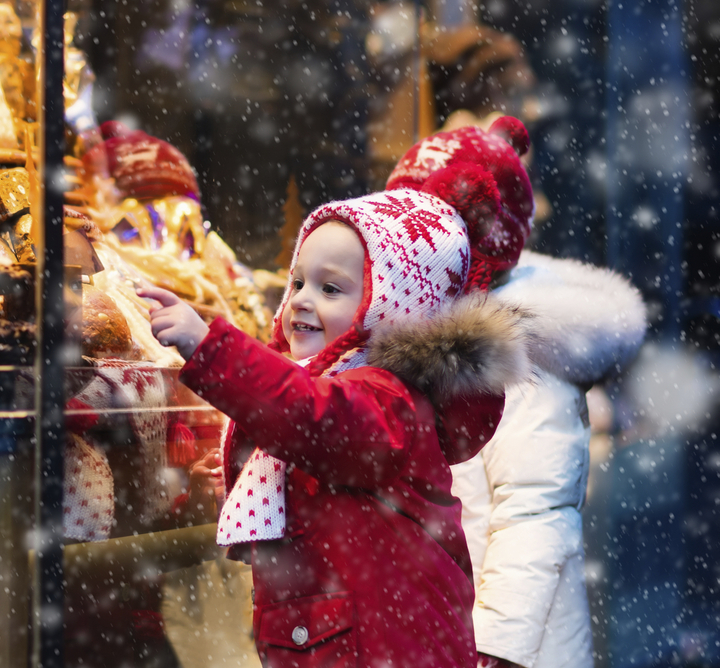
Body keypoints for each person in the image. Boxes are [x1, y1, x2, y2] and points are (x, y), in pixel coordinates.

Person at [140, 117, 535, 668]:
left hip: (379, 648)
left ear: (390, 305)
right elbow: (310, 442)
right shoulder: (345, 394)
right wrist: (259, 467)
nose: (301, 299)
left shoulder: (387, 397)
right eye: (298, 281)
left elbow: (311, 416)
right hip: (339, 641)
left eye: (331, 288)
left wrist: (211, 347)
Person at [384, 126, 647, 668]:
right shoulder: (431, 333)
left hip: (511, 648)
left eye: (415, 222)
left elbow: (536, 513)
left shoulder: (516, 352)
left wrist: (494, 648)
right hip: (446, 629)